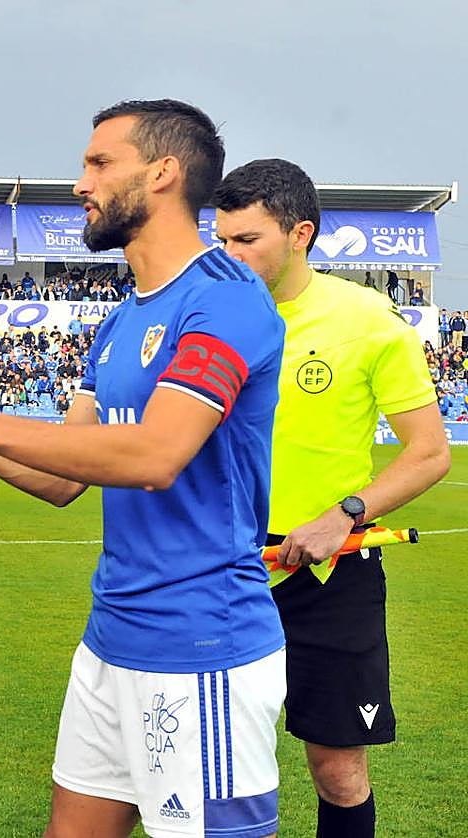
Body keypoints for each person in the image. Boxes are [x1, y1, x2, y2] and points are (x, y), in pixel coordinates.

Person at [0, 100, 288, 838]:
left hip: (201, 646)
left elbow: (158, 456)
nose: (79, 183)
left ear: (163, 173)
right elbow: (64, 478)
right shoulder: (123, 320)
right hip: (111, 641)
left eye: (98, 163)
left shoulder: (225, 300)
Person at [213, 158, 451, 838]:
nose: (229, 255)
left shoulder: (368, 321)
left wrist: (342, 515)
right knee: (214, 761)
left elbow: (429, 452)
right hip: (225, 570)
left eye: (246, 240)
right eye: (222, 239)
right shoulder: (208, 316)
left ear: (299, 234)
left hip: (330, 572)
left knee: (338, 772)